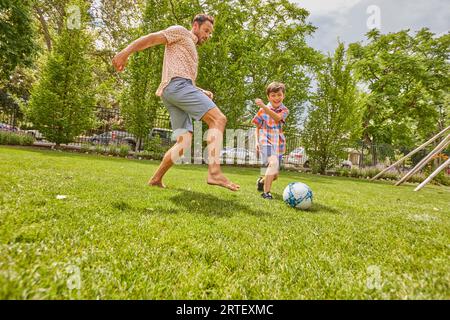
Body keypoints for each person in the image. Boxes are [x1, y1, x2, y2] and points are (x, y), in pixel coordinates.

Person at [112, 14, 239, 191]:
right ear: (195, 25)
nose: (208, 36)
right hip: (177, 87)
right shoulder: (180, 32)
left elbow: (183, 76)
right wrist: (126, 52)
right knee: (218, 119)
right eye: (206, 31)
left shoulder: (189, 48)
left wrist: (200, 91)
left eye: (210, 33)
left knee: (184, 141)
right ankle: (214, 173)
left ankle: (156, 179)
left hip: (174, 90)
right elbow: (151, 39)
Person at [252, 82, 289, 199]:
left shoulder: (285, 111)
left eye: (279, 95)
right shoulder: (262, 111)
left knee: (275, 175)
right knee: (273, 164)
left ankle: (262, 181)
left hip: (278, 144)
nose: (276, 98)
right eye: (273, 95)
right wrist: (257, 142)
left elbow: (277, 118)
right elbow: (257, 127)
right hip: (265, 141)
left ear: (283, 96)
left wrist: (263, 106)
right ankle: (266, 193)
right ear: (268, 97)